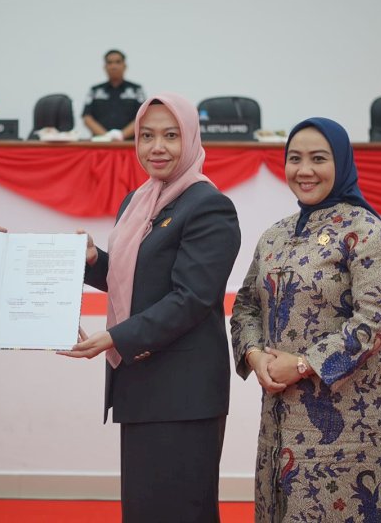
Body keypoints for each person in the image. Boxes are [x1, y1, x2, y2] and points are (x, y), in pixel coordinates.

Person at [59, 92, 240, 522]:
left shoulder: (208, 206)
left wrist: (116, 336)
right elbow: (135, 280)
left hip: (183, 393)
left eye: (171, 135)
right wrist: (93, 261)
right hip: (142, 384)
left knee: (180, 511)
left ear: (191, 139)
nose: (157, 147)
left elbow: (190, 298)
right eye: (147, 136)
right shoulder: (139, 201)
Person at [230, 117, 381, 522]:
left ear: (341, 162)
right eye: (295, 159)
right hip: (281, 413)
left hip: (350, 417)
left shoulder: (366, 233)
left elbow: (374, 320)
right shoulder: (275, 235)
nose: (304, 170)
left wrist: (303, 363)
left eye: (318, 159)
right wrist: (256, 356)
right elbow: (246, 306)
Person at [82, 49, 145, 140]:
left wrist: (121, 135)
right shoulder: (95, 90)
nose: (113, 66)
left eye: (118, 62)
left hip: (129, 145)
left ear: (125, 66)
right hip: (101, 144)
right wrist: (106, 137)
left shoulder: (136, 90)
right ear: (105, 67)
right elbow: (87, 118)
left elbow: (142, 116)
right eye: (109, 63)